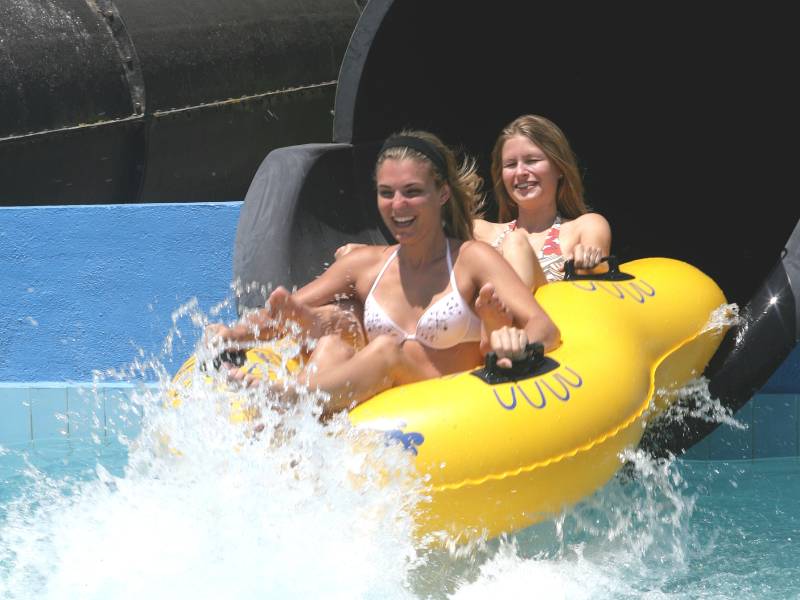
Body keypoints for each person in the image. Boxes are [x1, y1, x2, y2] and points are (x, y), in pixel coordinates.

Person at [206, 130, 560, 415]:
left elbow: (544, 327)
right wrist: (231, 335)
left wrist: (518, 344)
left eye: (412, 192)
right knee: (331, 344)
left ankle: (290, 397)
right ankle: (286, 428)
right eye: (386, 193)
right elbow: (280, 312)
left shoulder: (472, 259)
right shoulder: (365, 265)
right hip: (375, 411)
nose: (398, 205)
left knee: (387, 350)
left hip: (453, 409)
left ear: (442, 194)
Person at [336, 114, 611, 289]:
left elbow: (595, 263)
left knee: (516, 244)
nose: (520, 172)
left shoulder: (584, 226)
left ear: (559, 168)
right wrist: (368, 254)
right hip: (486, 332)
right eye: (510, 164)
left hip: (552, 333)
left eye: (532, 160)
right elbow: (422, 256)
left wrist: (590, 259)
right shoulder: (479, 231)